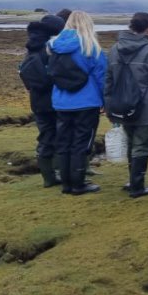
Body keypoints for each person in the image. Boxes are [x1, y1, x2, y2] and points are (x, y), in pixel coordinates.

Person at [105, 12, 148, 198]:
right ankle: (137, 186)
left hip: (120, 105)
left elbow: (108, 80)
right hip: (147, 107)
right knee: (142, 144)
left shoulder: (114, 49)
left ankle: (133, 181)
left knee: (131, 141)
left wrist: (108, 105)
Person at [51, 10, 108, 195]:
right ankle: (78, 183)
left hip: (61, 101)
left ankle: (66, 183)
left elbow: (50, 72)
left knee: (64, 142)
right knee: (81, 143)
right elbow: (102, 77)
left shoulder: (54, 45)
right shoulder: (91, 47)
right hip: (86, 102)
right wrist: (105, 101)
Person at [22, 14, 66, 187]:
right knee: (58, 137)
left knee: (45, 137)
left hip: (38, 100)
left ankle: (49, 177)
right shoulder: (49, 48)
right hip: (53, 99)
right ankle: (55, 174)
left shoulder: (32, 47)